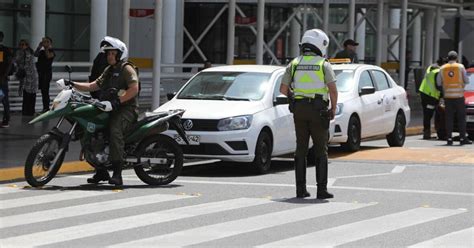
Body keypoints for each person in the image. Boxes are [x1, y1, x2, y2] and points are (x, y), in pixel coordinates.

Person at [65, 37, 139, 186]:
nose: (109, 56)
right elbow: (93, 85)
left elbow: (134, 89)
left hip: (126, 109)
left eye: (112, 53)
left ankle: (117, 174)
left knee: (114, 130)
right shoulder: (109, 70)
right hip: (109, 106)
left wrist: (118, 101)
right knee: (89, 129)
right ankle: (101, 171)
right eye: (108, 54)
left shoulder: (126, 68)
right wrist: (73, 84)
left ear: (120, 54)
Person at [280, 29, 338, 199]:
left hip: (299, 111)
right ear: (320, 45)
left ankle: (300, 190)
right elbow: (333, 91)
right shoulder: (323, 64)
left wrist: (295, 97)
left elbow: (283, 89)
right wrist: (333, 109)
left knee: (301, 150)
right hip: (318, 111)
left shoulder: (294, 63)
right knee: (321, 150)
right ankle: (321, 190)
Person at [436, 51, 471, 145]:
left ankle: (449, 138)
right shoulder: (460, 67)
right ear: (456, 58)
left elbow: (438, 82)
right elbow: (467, 80)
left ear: (448, 58)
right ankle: (463, 138)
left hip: (448, 97)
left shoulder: (442, 68)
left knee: (449, 118)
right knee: (461, 118)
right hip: (459, 96)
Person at [418, 57, 445, 140]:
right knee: (431, 114)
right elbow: (438, 85)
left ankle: (426, 132)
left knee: (427, 114)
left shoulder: (430, 68)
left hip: (423, 92)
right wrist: (443, 94)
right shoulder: (438, 71)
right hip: (431, 96)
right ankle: (429, 133)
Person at [14, 40, 38, 116]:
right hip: (27, 76)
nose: (22, 46)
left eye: (24, 44)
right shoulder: (20, 53)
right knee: (27, 94)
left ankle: (30, 111)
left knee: (31, 94)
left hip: (31, 75)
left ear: (27, 45)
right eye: (21, 44)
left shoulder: (28, 52)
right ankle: (27, 111)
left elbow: (19, 62)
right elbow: (17, 62)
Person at [34, 36, 55, 113]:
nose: (45, 43)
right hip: (40, 73)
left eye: (47, 41)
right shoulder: (42, 51)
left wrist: (47, 47)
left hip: (47, 74)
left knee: (45, 91)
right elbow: (35, 54)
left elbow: (49, 56)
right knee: (43, 91)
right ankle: (44, 108)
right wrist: (39, 46)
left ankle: (46, 108)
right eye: (44, 42)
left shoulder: (51, 50)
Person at [0, 31, 13, 128]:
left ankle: (6, 120)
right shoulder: (2, 50)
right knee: (4, 99)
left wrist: (4, 76)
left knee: (4, 99)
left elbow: (7, 64)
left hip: (2, 78)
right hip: (2, 77)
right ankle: (5, 119)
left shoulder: (3, 50)